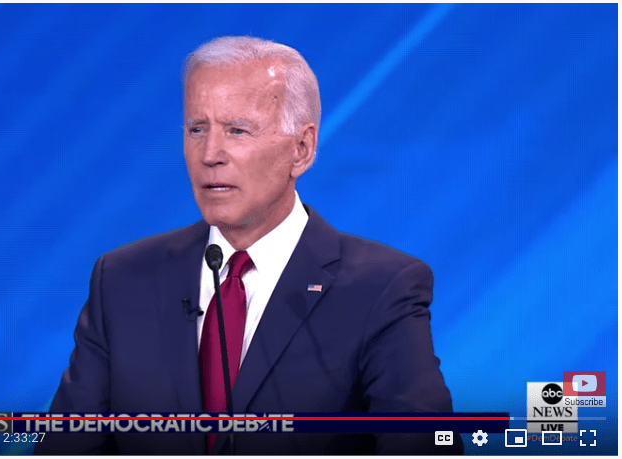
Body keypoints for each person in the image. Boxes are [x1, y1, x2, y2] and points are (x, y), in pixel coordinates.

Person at [35, 35, 461, 455]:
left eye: (238, 130)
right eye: (197, 129)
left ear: (302, 148)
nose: (210, 153)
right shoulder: (123, 280)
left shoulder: (381, 288)